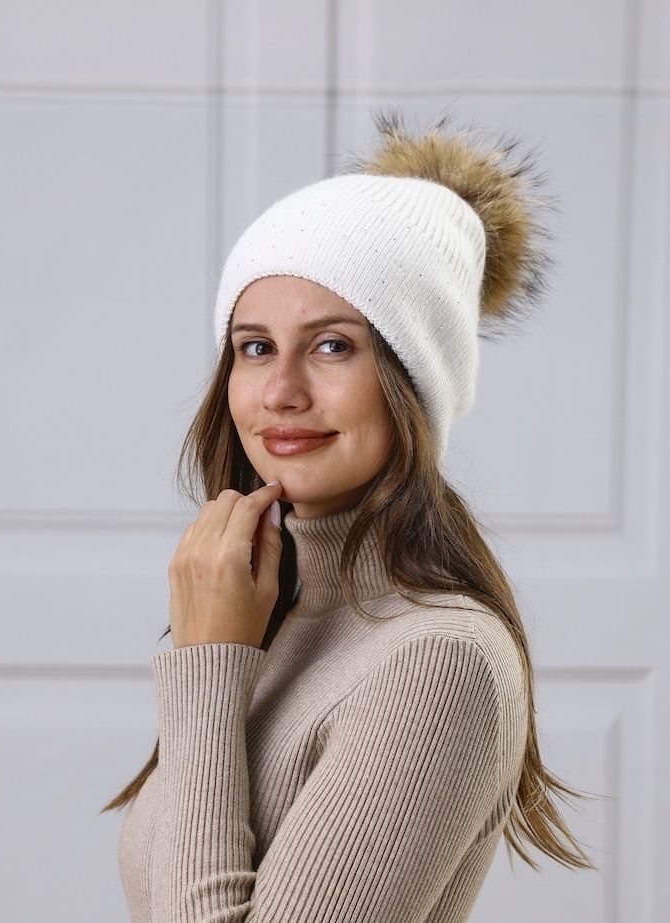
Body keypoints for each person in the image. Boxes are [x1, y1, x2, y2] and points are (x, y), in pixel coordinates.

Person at [102, 107, 597, 922]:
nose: (281, 391)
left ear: (414, 379)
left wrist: (208, 665)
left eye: (333, 345)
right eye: (254, 346)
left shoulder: (440, 661)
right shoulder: (262, 608)